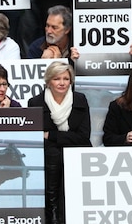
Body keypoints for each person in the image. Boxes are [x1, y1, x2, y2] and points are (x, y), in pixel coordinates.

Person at [28, 61, 91, 224]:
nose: (62, 83)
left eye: (66, 79)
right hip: (51, 154)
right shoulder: (35, 102)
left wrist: (51, 135)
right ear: (48, 81)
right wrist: (60, 138)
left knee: (62, 154)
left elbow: (83, 137)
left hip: (77, 150)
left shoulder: (80, 99)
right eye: (57, 79)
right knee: (53, 155)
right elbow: (37, 138)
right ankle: (53, 213)